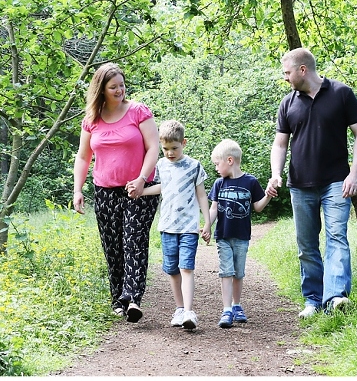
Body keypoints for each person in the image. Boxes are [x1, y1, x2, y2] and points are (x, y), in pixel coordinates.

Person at [265, 48, 357, 318]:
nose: (285, 78)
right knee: (307, 245)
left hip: (337, 181)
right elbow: (280, 143)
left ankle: (335, 297)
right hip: (300, 184)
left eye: (287, 72)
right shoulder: (288, 103)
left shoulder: (341, 93)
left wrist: (354, 173)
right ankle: (313, 300)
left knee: (337, 237)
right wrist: (275, 173)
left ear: (302, 70)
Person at [73, 62, 160, 323]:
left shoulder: (138, 111)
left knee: (134, 241)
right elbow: (83, 157)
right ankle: (117, 299)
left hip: (139, 191)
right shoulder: (91, 120)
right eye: (113, 87)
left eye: (122, 85)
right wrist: (78, 189)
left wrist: (142, 179)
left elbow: (154, 147)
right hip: (105, 192)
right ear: (101, 89)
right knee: (113, 247)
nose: (120, 90)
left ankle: (132, 299)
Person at [130, 120, 210, 330]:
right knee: (172, 269)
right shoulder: (161, 166)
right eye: (165, 149)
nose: (170, 152)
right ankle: (179, 308)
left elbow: (201, 195)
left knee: (186, 268)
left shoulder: (194, 166)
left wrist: (208, 222)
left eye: (174, 148)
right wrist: (141, 191)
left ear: (183, 143)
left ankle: (189, 312)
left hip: (189, 227)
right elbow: (162, 187)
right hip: (167, 226)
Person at [202, 139, 272, 328]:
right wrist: (207, 226)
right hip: (223, 235)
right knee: (226, 271)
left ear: (230, 160)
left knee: (238, 273)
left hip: (242, 236)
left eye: (217, 164)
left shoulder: (250, 182)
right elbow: (214, 208)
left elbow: (257, 207)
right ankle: (226, 309)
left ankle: (237, 305)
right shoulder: (219, 183)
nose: (216, 168)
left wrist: (268, 195)